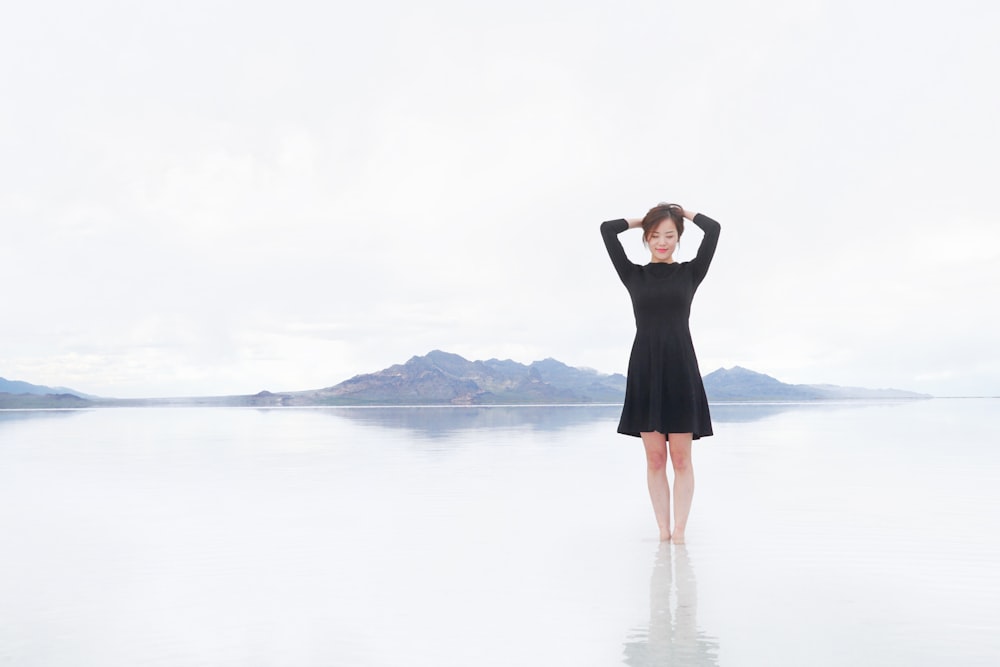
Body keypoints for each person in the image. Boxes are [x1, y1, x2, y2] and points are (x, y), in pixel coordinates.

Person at [601, 203, 721, 543]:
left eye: (669, 235)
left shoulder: (690, 273)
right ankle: (663, 531)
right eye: (655, 236)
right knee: (655, 458)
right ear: (646, 239)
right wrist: (646, 219)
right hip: (645, 369)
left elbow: (714, 230)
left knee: (681, 459)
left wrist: (683, 213)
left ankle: (680, 532)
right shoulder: (633, 275)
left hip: (680, 368)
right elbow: (606, 229)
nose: (662, 242)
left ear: (679, 237)